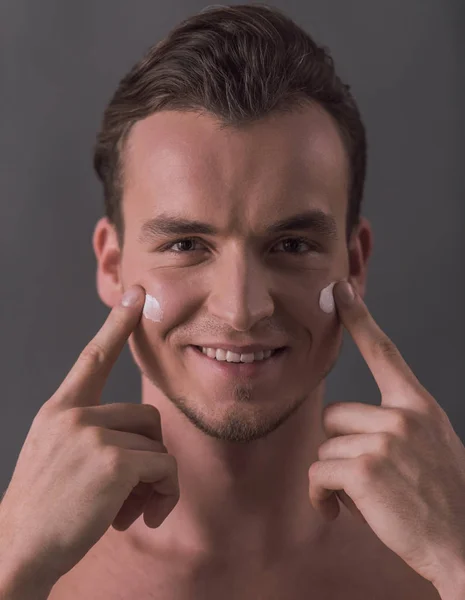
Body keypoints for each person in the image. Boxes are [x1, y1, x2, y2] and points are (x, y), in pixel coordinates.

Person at [2, 4, 456, 599]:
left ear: (356, 262)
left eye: (292, 244)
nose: (242, 310)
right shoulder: (25, 562)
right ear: (112, 265)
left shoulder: (438, 562)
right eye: (186, 244)